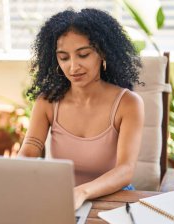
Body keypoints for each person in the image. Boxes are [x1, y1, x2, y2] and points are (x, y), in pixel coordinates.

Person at [18, 8, 144, 210]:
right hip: (62, 200)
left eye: (83, 55)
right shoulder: (47, 102)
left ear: (102, 52)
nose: (73, 67)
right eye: (64, 57)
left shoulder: (128, 104)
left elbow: (125, 170)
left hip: (114, 203)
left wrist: (82, 192)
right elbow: (29, 152)